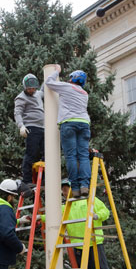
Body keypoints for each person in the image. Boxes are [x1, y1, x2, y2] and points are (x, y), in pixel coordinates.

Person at [45, 65, 91, 197]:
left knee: (71, 156)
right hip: (84, 124)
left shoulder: (67, 86)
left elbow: (49, 82)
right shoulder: (85, 94)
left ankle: (75, 188)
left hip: (69, 123)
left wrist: (57, 71)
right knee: (83, 156)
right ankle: (84, 186)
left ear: (73, 78)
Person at [61, 178, 111, 269]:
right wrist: (39, 217)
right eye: (63, 190)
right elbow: (52, 215)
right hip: (78, 246)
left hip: (94, 243)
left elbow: (105, 211)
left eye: (66, 189)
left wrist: (97, 215)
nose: (64, 192)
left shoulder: (88, 200)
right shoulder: (65, 207)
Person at [14, 73, 44, 189]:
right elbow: (18, 113)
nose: (31, 90)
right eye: (29, 88)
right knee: (31, 153)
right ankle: (26, 180)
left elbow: (43, 90)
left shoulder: (38, 94)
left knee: (45, 155)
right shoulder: (21, 97)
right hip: (31, 128)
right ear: (25, 87)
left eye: (33, 88)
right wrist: (21, 126)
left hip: (43, 128)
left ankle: (43, 179)